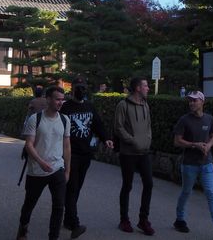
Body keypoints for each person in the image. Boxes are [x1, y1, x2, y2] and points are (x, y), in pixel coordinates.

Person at [172, 91, 213, 240]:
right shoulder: (184, 120)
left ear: (202, 102)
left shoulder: (209, 119)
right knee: (186, 192)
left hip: (207, 163)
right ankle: (180, 220)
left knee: (211, 194)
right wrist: (194, 145)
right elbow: (176, 141)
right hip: (189, 164)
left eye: (194, 100)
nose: (191, 103)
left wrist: (209, 146)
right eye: (190, 101)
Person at [60, 77, 114, 238]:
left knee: (77, 188)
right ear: (73, 89)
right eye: (79, 87)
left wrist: (106, 139)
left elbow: (98, 125)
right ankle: (74, 224)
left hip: (86, 154)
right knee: (72, 187)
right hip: (71, 153)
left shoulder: (89, 106)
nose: (82, 90)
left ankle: (68, 219)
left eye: (83, 87)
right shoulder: (66, 108)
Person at [17, 86, 71, 240]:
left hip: (57, 168)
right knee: (29, 204)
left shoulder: (65, 119)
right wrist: (40, 162)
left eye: (62, 99)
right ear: (48, 99)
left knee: (59, 206)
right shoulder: (36, 118)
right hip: (37, 170)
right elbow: (29, 144)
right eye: (57, 99)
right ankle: (23, 228)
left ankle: (53, 237)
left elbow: (67, 146)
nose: (61, 102)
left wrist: (67, 170)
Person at [114, 77, 154, 235]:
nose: (148, 88)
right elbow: (118, 127)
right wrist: (132, 141)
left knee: (149, 184)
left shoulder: (146, 105)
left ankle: (143, 220)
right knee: (127, 185)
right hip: (128, 153)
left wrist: (148, 140)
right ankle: (124, 220)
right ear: (138, 88)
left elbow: (149, 126)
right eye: (145, 86)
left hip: (144, 152)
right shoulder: (123, 105)